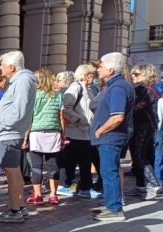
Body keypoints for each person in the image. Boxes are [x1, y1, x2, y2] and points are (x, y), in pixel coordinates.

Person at [0, 51, 36, 223]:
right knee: (13, 170)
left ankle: (15, 209)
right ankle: (19, 206)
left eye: (2, 64)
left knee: (12, 171)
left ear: (12, 67)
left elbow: (19, 111)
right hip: (9, 132)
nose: (0, 67)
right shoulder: (20, 81)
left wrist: (0, 125)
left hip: (8, 133)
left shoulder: (22, 81)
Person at [91, 52, 135, 221]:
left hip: (111, 137)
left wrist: (100, 130)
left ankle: (115, 209)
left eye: (101, 65)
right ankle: (112, 205)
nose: (98, 68)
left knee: (109, 173)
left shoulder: (117, 87)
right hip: (111, 137)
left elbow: (117, 116)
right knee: (109, 172)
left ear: (110, 69)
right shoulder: (116, 85)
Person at [23, 68, 63, 206]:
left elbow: (30, 118)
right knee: (53, 165)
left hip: (37, 131)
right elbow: (61, 116)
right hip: (54, 131)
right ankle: (53, 195)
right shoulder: (58, 95)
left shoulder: (34, 95)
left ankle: (38, 194)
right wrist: (63, 134)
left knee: (36, 165)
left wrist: (25, 137)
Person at [60, 64, 100, 199]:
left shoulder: (87, 89)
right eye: (92, 75)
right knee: (82, 161)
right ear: (86, 75)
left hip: (85, 132)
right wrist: (79, 120)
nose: (93, 78)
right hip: (76, 131)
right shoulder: (75, 87)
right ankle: (82, 187)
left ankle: (79, 186)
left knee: (82, 161)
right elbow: (66, 108)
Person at [127, 64, 161, 200]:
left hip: (144, 126)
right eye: (133, 74)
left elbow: (137, 107)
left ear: (146, 74)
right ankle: (141, 186)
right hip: (143, 125)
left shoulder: (148, 89)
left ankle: (153, 184)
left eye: (136, 74)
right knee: (141, 155)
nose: (132, 76)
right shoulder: (145, 89)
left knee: (139, 155)